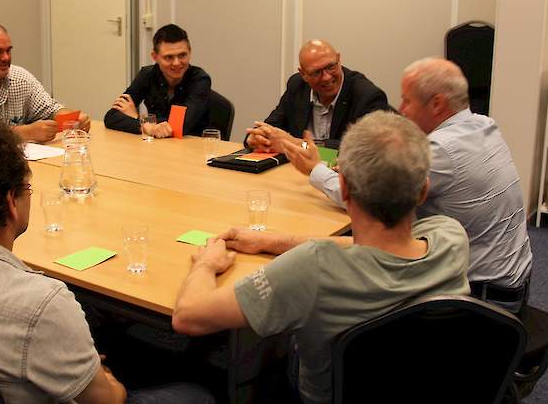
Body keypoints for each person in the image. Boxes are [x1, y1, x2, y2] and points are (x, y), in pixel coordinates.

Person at [0, 124, 214, 404]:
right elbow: (110, 399)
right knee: (198, 393)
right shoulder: (41, 302)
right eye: (26, 188)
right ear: (11, 203)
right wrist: (103, 377)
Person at [172, 111, 470, 403]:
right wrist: (270, 241)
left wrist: (206, 266)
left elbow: (189, 317)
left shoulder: (313, 268)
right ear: (423, 191)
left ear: (343, 187)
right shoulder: (450, 238)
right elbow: (369, 245)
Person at [285, 58, 532, 313]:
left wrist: (315, 169)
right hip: (512, 282)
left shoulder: (441, 151)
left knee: (336, 294)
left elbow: (365, 200)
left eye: (407, 101)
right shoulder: (483, 124)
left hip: (480, 303)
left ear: (437, 103)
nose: (401, 110)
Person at [245, 40, 390, 152]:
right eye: (316, 72)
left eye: (331, 67)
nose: (326, 77)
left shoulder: (366, 95)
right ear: (303, 74)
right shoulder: (297, 86)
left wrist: (297, 144)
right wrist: (255, 138)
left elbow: (367, 150)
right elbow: (271, 126)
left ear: (339, 60)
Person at [104, 24, 212, 138]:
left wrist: (139, 119)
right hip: (158, 145)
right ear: (155, 57)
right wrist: (147, 127)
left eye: (182, 55)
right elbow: (111, 116)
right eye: (169, 57)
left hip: (193, 146)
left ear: (190, 52)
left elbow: (179, 126)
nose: (176, 63)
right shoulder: (147, 74)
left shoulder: (200, 79)